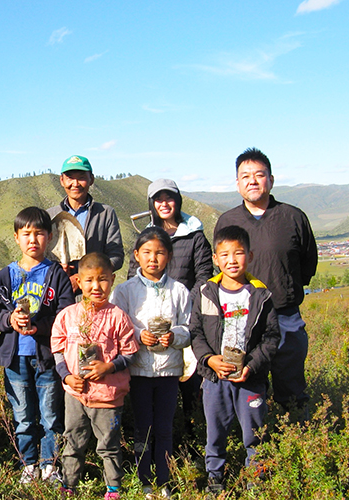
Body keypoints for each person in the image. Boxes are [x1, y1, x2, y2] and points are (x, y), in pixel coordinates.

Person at [215, 148, 317, 417]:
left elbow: (308, 263)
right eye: (245, 176)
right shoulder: (228, 221)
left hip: (285, 316)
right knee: (249, 388)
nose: (252, 181)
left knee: (291, 386)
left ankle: (297, 441)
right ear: (237, 183)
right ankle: (257, 447)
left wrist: (285, 288)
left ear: (270, 180)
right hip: (242, 318)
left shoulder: (293, 217)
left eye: (259, 175)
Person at [190, 225, 280, 494]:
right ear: (215, 259)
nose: (232, 260)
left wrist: (252, 366)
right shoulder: (206, 293)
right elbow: (195, 332)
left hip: (250, 380)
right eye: (224, 254)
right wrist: (209, 360)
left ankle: (256, 480)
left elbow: (271, 338)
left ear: (250, 256)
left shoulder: (260, 295)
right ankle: (215, 478)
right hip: (215, 380)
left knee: (254, 433)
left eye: (238, 253)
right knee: (215, 432)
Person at [0, 207, 74, 484]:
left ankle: (50, 464)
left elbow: (65, 314)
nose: (33, 240)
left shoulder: (56, 275)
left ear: (49, 237)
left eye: (39, 234)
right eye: (26, 234)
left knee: (51, 414)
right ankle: (29, 464)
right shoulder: (4, 277)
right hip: (15, 358)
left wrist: (41, 327)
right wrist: (9, 319)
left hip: (47, 356)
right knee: (23, 415)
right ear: (15, 237)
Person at [127, 178, 213, 438]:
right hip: (149, 324)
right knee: (152, 382)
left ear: (178, 200)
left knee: (189, 381)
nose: (164, 204)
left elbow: (204, 275)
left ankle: (191, 435)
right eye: (158, 199)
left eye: (169, 198)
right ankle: (150, 438)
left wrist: (183, 302)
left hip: (185, 318)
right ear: (151, 204)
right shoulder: (146, 236)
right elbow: (134, 277)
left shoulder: (195, 235)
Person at [51, 252, 139, 499]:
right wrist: (66, 376)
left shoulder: (118, 316)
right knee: (73, 441)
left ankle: (113, 487)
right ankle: (69, 484)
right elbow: (57, 350)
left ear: (112, 280)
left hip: (108, 397)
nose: (96, 286)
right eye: (89, 280)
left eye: (102, 280)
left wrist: (108, 367)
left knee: (109, 445)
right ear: (78, 281)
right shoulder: (67, 316)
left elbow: (130, 353)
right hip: (75, 395)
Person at [112, 227, 191, 499]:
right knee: (142, 426)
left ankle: (164, 480)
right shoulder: (124, 291)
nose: (153, 258)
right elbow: (117, 325)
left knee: (164, 426)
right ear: (136, 255)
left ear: (169, 256)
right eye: (147, 252)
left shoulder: (179, 291)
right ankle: (145, 480)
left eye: (159, 252)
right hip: (138, 369)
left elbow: (190, 327)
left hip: (169, 370)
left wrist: (175, 336)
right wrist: (137, 334)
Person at [47, 155, 124, 294]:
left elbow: (116, 256)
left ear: (91, 179)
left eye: (81, 177)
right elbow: (38, 256)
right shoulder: (50, 216)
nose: (75, 183)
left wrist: (84, 276)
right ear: (62, 180)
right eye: (70, 177)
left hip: (94, 293)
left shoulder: (105, 214)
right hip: (56, 294)